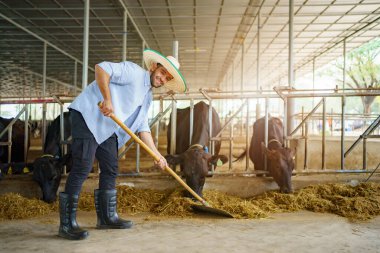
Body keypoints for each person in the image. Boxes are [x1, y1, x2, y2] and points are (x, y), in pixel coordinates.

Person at [58, 49, 187, 240]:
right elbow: (101, 68)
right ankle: (67, 225)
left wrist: (157, 155)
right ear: (153, 67)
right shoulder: (133, 72)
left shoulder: (148, 97)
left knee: (110, 167)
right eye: (162, 73)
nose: (162, 79)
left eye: (167, 78)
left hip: (107, 126)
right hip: (88, 116)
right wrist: (108, 99)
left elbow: (143, 127)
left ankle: (106, 218)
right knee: (83, 166)